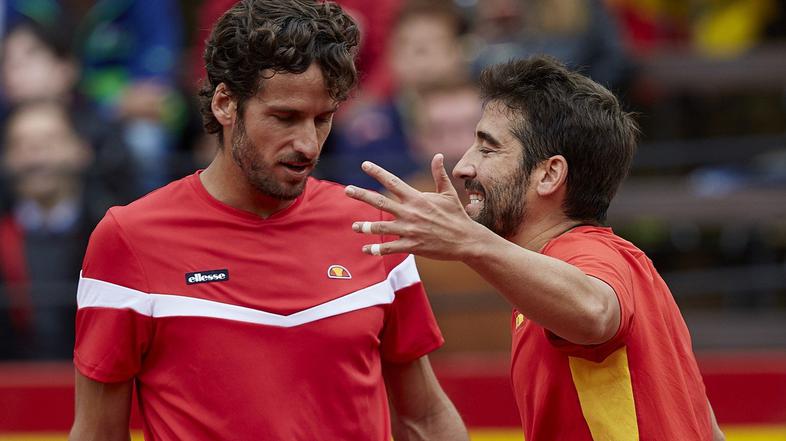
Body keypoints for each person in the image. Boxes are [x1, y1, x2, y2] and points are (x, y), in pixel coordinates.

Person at [69, 1, 467, 440]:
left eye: (323, 119)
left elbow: (424, 418)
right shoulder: (128, 238)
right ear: (225, 103)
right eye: (285, 117)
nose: (308, 144)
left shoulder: (374, 225)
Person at [345, 56, 726, 441]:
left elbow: (596, 312)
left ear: (549, 174)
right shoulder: (626, 268)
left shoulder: (588, 255)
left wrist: (468, 241)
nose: (463, 166)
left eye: (488, 149)